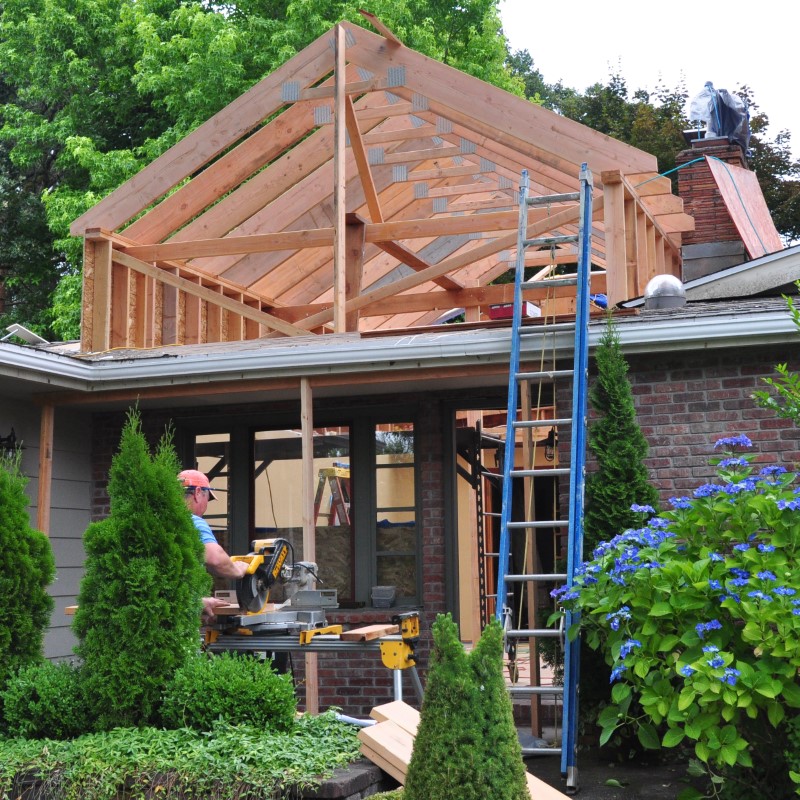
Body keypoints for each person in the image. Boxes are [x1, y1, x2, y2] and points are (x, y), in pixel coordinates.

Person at [178, 468, 248, 623]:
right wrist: (238, 570)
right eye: (206, 498)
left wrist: (197, 601)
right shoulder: (192, 521)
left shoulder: (157, 521)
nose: (206, 507)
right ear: (197, 493)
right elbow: (215, 558)